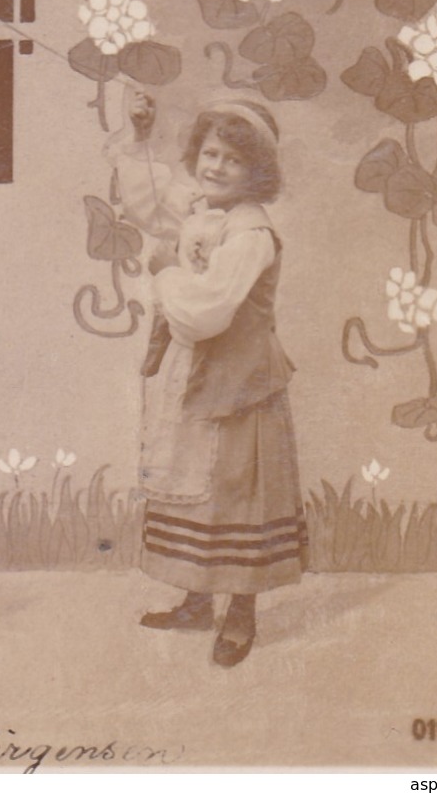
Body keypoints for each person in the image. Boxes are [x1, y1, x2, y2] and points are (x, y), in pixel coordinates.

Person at [108, 91, 304, 668]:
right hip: (199, 375)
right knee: (194, 484)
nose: (216, 167)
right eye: (211, 153)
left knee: (235, 491)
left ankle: (240, 612)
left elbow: (205, 310)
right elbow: (149, 204)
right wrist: (142, 135)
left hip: (241, 383)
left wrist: (167, 270)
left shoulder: (249, 234)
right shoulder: (202, 210)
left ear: (257, 174)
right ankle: (196, 599)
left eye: (233, 161)